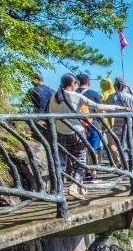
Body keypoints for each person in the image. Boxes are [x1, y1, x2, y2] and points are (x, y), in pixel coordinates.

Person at [47, 73, 119, 201]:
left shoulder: (54, 97)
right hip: (77, 134)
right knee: (81, 162)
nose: (77, 87)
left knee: (64, 162)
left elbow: (50, 114)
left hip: (60, 134)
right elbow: (98, 107)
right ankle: (74, 187)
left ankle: (59, 189)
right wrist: (119, 107)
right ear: (72, 84)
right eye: (76, 84)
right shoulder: (76, 96)